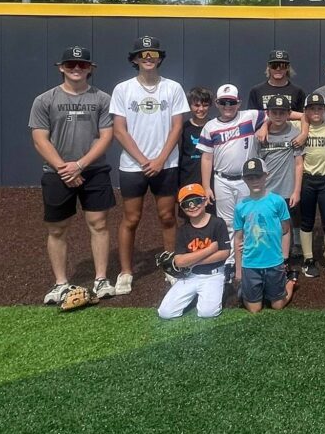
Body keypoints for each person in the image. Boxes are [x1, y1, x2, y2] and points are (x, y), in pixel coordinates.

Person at [30, 46, 116, 304]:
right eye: (71, 64)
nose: (76, 69)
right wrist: (64, 169)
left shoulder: (102, 99)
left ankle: (101, 279)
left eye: (82, 64)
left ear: (90, 68)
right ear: (61, 67)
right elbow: (39, 139)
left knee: (99, 224)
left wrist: (80, 165)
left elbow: (106, 136)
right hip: (57, 173)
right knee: (57, 229)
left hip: (94, 170)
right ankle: (60, 284)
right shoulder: (45, 100)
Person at [109, 36, 189, 296]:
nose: (148, 58)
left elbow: (177, 127)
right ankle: (126, 272)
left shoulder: (173, 88)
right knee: (131, 219)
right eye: (142, 54)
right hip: (134, 166)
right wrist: (144, 161)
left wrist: (160, 160)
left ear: (160, 58)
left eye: (153, 53)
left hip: (166, 165)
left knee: (167, 217)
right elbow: (119, 130)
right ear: (134, 59)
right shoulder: (123, 89)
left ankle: (171, 266)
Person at [197, 83, 266, 275]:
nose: (228, 106)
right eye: (223, 102)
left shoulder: (249, 116)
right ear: (217, 103)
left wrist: (265, 126)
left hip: (247, 179)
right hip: (222, 180)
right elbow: (207, 157)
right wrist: (206, 186)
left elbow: (279, 114)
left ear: (239, 102)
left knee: (249, 219)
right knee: (226, 222)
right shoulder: (210, 126)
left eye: (232, 102)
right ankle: (229, 261)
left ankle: (248, 258)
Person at [232, 157, 299, 313]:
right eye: (250, 177)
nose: (254, 181)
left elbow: (286, 230)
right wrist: (238, 270)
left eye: (258, 176)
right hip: (251, 263)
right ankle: (248, 289)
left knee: (277, 305)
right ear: (244, 179)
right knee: (255, 309)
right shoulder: (240, 206)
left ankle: (290, 282)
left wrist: (284, 258)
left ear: (266, 175)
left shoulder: (277, 201)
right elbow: (238, 238)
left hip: (274, 262)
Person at [157, 184, 230, 319]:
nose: (192, 206)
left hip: (213, 275)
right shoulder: (183, 230)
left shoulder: (217, 223)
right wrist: (209, 250)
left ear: (204, 200)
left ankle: (218, 290)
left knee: (207, 313)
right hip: (190, 276)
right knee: (165, 313)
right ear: (182, 208)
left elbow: (224, 253)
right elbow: (179, 261)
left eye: (196, 201)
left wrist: (192, 261)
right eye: (186, 203)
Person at [258, 95, 304, 256]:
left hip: (287, 189)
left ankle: (286, 258)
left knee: (286, 224)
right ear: (268, 113)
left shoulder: (295, 132)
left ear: (288, 113)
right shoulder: (260, 135)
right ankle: (270, 253)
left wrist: (296, 191)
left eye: (282, 112)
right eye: (274, 112)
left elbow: (299, 163)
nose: (278, 116)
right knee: (267, 223)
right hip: (267, 189)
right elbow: (256, 164)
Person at [299, 93, 325, 278]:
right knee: (306, 220)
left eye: (319, 108)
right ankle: (308, 259)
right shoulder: (299, 127)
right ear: (305, 111)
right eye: (311, 108)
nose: (316, 112)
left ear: (324, 110)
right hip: (307, 179)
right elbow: (279, 117)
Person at [178, 87, 212, 192]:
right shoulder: (183, 128)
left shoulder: (214, 126)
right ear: (189, 106)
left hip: (211, 180)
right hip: (188, 178)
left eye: (205, 105)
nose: (201, 109)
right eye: (196, 105)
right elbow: (179, 154)